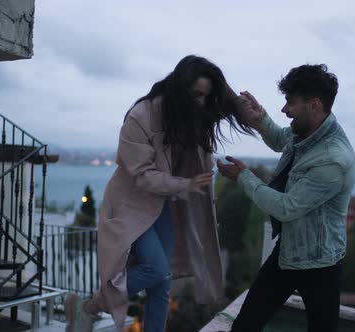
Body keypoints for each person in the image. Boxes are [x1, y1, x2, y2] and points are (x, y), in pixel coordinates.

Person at [65, 55, 254, 332]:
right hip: (131, 205)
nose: (201, 102)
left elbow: (223, 107)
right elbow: (141, 176)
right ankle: (89, 308)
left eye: (206, 96)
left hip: (162, 205)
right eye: (197, 94)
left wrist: (246, 108)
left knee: (162, 284)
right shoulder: (141, 115)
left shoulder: (190, 115)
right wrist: (185, 185)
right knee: (156, 269)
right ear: (179, 88)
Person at [217, 64, 355, 332]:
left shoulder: (333, 159)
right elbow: (282, 139)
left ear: (313, 105)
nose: (284, 110)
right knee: (244, 327)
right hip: (289, 253)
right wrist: (259, 118)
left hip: (321, 265)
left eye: (290, 103)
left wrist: (243, 177)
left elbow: (286, 208)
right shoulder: (309, 131)